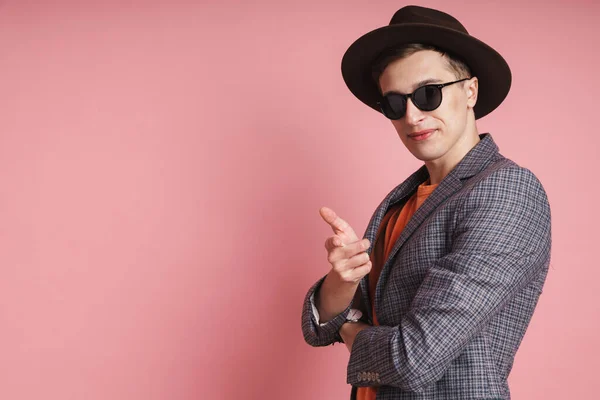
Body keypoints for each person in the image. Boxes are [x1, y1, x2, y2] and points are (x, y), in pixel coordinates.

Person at [300, 5, 552, 400]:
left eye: (428, 94)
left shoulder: (506, 190)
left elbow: (413, 358)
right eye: (396, 104)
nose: (413, 116)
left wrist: (348, 327)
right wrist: (342, 281)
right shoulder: (400, 203)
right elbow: (320, 326)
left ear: (470, 91)